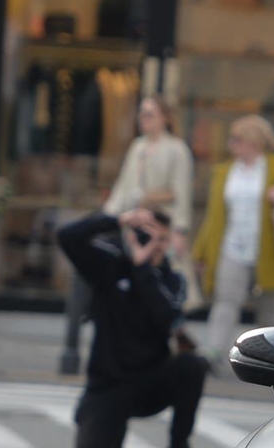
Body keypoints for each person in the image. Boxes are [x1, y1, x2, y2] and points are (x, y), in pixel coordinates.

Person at [58, 194, 209, 448]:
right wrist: (117, 219)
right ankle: (100, 426)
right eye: (146, 235)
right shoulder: (110, 264)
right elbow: (67, 237)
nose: (154, 245)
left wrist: (143, 270)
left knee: (193, 366)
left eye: (161, 239)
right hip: (109, 382)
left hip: (150, 382)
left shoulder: (172, 280)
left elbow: (166, 316)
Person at [64, 93, 194, 372]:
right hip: (134, 225)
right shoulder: (137, 147)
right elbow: (123, 186)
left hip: (161, 226)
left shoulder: (176, 149)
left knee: (162, 281)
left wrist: (180, 230)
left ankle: (172, 336)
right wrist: (110, 217)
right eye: (142, 114)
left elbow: (181, 191)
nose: (144, 120)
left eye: (150, 114)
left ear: (165, 118)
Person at [194, 114, 274, 368]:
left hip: (269, 250)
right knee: (225, 302)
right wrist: (201, 251)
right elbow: (214, 215)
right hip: (232, 246)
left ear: (253, 141)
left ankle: (273, 359)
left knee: (271, 308)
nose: (231, 145)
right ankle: (213, 352)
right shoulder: (225, 171)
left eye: (236, 139)